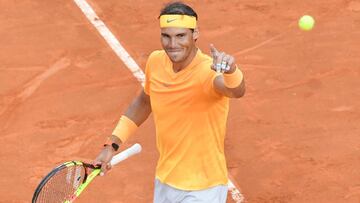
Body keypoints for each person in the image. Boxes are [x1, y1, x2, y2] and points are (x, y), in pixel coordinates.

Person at [94, 1, 245, 203]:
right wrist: (111, 145)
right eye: (166, 36)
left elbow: (236, 91)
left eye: (181, 36)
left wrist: (232, 71)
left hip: (203, 187)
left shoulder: (208, 71)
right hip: (166, 179)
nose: (173, 44)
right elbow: (144, 102)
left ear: (195, 34)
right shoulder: (156, 62)